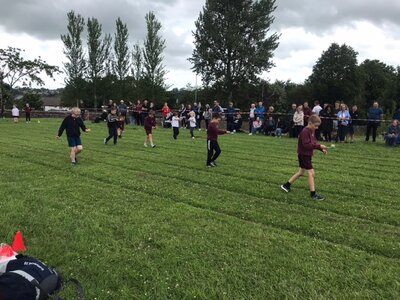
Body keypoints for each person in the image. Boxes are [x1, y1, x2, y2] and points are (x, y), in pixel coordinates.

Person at [280, 115, 328, 201]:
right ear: (310, 123)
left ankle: (286, 185)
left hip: (305, 155)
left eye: (318, 126)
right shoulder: (305, 131)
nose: (316, 128)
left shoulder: (311, 131)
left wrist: (321, 149)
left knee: (301, 172)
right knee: (311, 173)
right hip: (304, 155)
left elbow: (313, 142)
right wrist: (319, 145)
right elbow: (306, 145)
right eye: (315, 125)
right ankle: (313, 194)